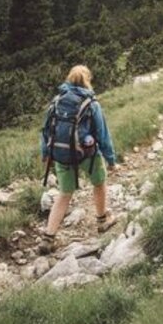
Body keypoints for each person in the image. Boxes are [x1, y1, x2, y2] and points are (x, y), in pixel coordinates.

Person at [39, 64, 118, 253]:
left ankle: (49, 238)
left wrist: (45, 154)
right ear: (87, 80)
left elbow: (46, 130)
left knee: (64, 194)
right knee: (99, 183)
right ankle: (102, 220)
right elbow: (102, 133)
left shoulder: (56, 102)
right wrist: (111, 159)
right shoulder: (91, 104)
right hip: (87, 154)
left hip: (61, 155)